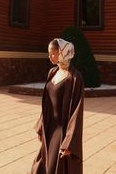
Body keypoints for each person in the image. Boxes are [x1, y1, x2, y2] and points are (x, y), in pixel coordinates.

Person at [30, 38, 84, 174]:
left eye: (52, 53)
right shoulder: (52, 72)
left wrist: (70, 142)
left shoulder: (75, 78)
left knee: (56, 166)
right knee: (42, 164)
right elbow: (46, 103)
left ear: (62, 53)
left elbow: (77, 111)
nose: (49, 57)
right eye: (49, 53)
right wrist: (41, 126)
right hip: (49, 127)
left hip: (61, 131)